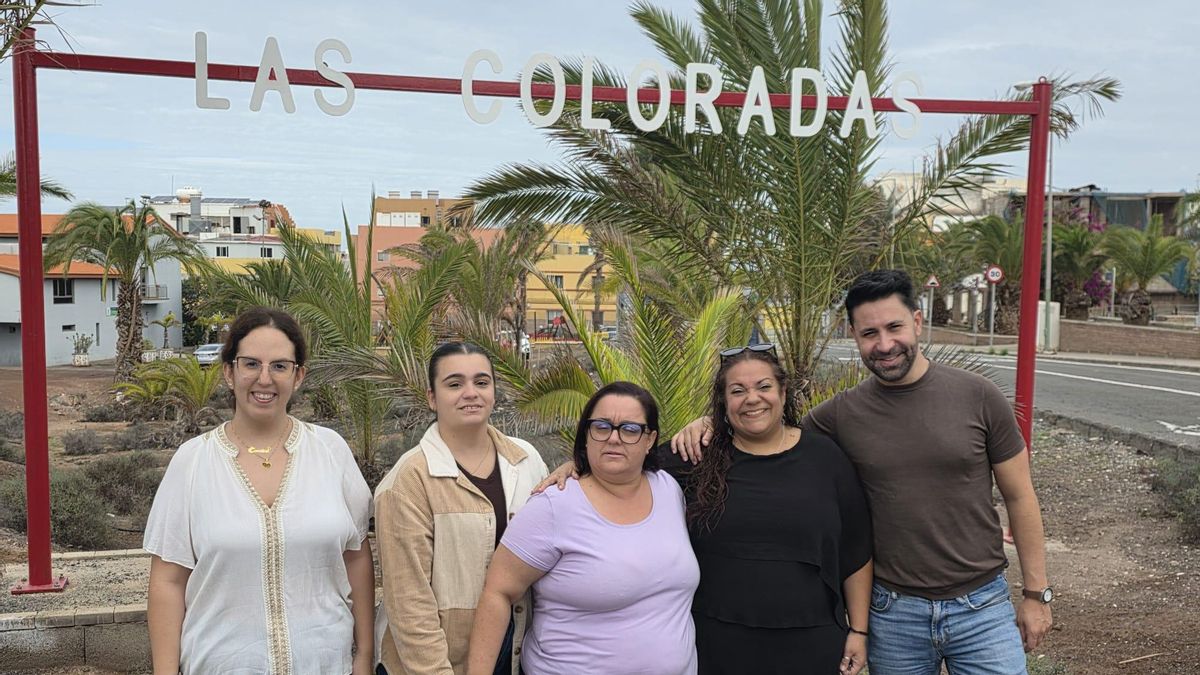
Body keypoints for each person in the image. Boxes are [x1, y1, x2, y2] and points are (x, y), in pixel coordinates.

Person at [673, 269, 1053, 674]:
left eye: (895, 327)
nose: (885, 344)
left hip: (981, 605)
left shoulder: (978, 396)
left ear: (918, 321)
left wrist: (1036, 594)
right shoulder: (839, 415)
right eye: (870, 333)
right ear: (854, 335)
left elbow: (1020, 495)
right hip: (893, 612)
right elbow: (769, 430)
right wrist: (711, 422)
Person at [537, 350, 873, 675]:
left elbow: (855, 551)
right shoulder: (695, 456)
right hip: (717, 645)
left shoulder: (826, 458)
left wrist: (858, 631)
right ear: (724, 404)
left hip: (810, 642)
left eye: (764, 387)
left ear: (783, 393)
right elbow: (628, 462)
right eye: (737, 391)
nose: (752, 398)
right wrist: (579, 466)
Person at [145, 306, 375, 675]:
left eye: (280, 366)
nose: (264, 379)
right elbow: (168, 582)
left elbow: (357, 558)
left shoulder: (330, 451)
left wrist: (364, 654)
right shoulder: (192, 462)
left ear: (299, 376)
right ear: (228, 372)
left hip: (325, 663)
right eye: (251, 363)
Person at [468, 381, 700, 675]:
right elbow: (497, 592)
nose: (614, 439)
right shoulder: (554, 505)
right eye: (601, 426)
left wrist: (704, 422)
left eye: (630, 429)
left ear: (650, 439)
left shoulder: (669, 489)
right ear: (586, 434)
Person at [374, 342, 548, 675]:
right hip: (436, 661)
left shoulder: (525, 461)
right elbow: (410, 605)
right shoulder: (408, 482)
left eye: (481, 382)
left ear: (494, 392)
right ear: (431, 397)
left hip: (510, 651)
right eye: (454, 384)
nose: (471, 393)